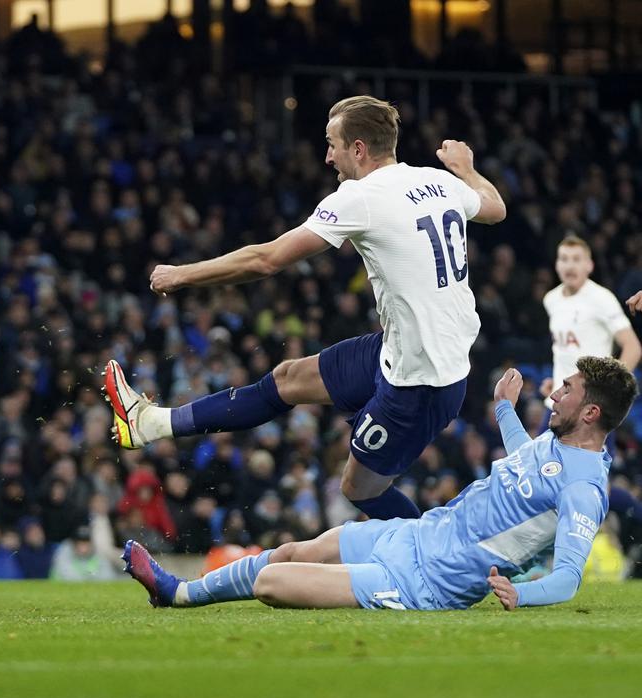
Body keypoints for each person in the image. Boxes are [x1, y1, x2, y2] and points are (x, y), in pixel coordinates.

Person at [105, 95, 507, 520]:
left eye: (333, 143)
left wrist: (184, 275)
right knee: (288, 378)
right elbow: (495, 209)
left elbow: (267, 259)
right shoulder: (437, 181)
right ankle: (150, 424)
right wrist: (466, 169)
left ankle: (444, 561)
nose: (327, 156)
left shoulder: (360, 196)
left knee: (359, 488)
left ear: (358, 149)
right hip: (408, 352)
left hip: (420, 382)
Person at [123, 358, 635, 611]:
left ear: (591, 411)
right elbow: (527, 465)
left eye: (567, 390)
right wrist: (504, 408)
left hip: (430, 582)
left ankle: (181, 593)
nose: (555, 393)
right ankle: (177, 593)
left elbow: (568, 577)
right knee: (292, 552)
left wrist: (523, 597)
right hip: (417, 534)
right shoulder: (556, 445)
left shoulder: (585, 487)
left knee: (272, 584)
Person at [541, 235, 642, 524]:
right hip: (558, 406)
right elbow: (564, 351)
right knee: (546, 478)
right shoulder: (551, 300)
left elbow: (633, 347)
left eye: (576, 259)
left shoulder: (601, 299)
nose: (569, 265)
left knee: (592, 488)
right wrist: (554, 380)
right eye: (563, 259)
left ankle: (635, 517)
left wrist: (609, 392)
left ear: (589, 265)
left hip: (589, 411)